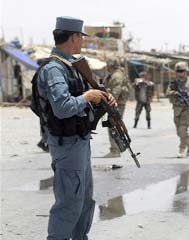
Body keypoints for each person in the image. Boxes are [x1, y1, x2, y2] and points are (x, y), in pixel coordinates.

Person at [33, 16, 116, 240]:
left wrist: (102, 97)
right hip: (67, 144)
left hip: (79, 141)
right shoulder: (54, 69)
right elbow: (62, 107)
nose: (82, 42)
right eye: (81, 37)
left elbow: (82, 96)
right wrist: (87, 96)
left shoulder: (71, 66)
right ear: (74, 37)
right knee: (69, 202)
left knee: (85, 200)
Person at [166, 62, 189, 158]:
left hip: (186, 109)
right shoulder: (174, 83)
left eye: (182, 71)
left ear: (186, 72)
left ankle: (182, 149)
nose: (180, 73)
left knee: (182, 130)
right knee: (179, 132)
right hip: (176, 109)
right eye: (178, 71)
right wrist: (174, 93)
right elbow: (167, 93)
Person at [103, 58, 130, 157]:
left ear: (110, 65)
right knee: (113, 125)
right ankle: (116, 149)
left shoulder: (116, 76)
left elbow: (116, 91)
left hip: (116, 104)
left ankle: (115, 150)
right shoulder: (113, 75)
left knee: (113, 126)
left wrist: (109, 101)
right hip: (115, 104)